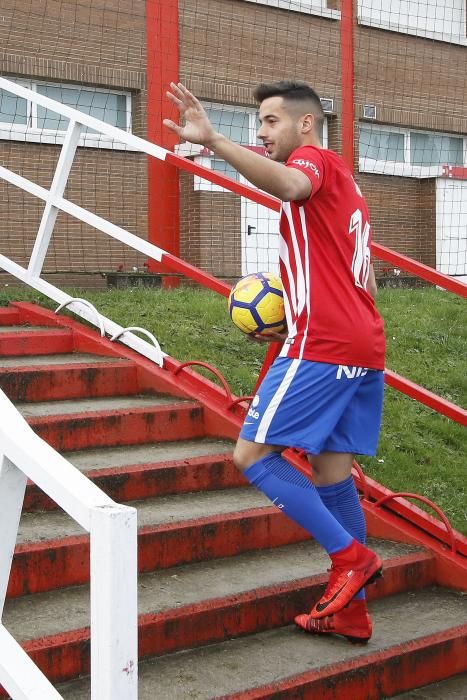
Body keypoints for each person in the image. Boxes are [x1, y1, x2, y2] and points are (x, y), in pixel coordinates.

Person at [164, 80, 386, 644]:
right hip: (362, 344)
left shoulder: (313, 160)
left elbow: (289, 184)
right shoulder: (349, 187)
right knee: (333, 478)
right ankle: (352, 612)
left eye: (269, 122)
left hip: (324, 344)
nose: (260, 134)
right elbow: (367, 277)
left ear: (305, 124)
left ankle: (350, 558)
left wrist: (212, 140)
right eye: (257, 124)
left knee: (252, 454)